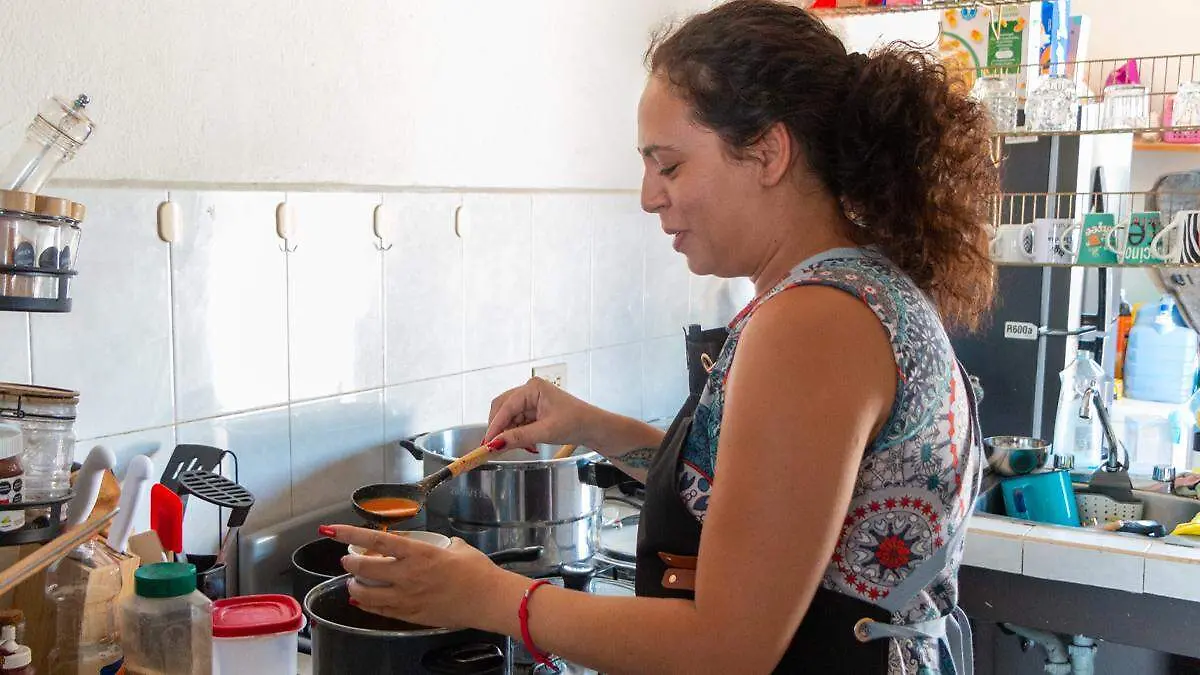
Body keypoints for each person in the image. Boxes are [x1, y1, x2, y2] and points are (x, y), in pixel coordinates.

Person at [321, 0, 999, 672]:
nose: (649, 196)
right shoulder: (853, 291)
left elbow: (728, 646)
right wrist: (596, 428)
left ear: (767, 152)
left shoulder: (813, 322)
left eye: (668, 165)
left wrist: (492, 596)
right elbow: (766, 500)